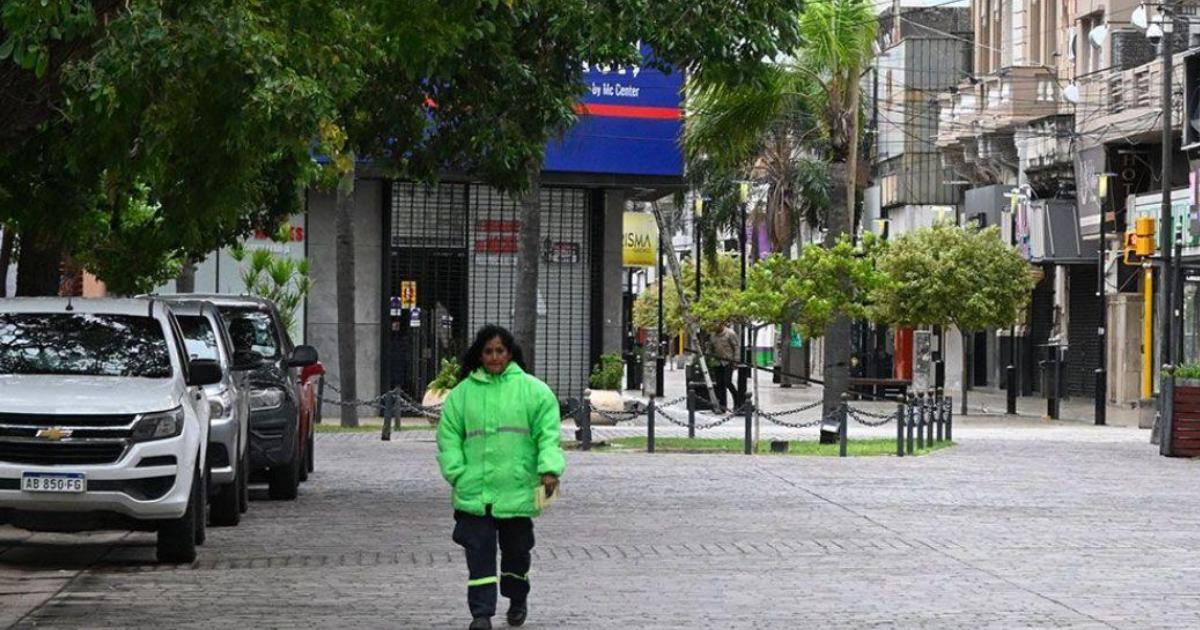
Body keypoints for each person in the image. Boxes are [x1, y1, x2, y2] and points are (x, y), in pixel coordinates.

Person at [437, 325, 565, 630]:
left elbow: (549, 435)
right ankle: (481, 614)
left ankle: (517, 597)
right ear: (479, 355)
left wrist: (549, 469)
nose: (494, 357)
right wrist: (456, 472)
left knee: (517, 553)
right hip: (475, 492)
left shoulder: (535, 391)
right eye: (488, 351)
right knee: (479, 554)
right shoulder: (461, 395)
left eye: (500, 351)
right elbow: (449, 437)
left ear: (510, 353)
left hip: (517, 490)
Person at [708, 321, 741, 412]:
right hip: (717, 363)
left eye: (716, 325)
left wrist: (736, 360)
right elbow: (710, 348)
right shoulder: (713, 335)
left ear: (721, 324)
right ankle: (722, 406)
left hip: (728, 362)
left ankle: (737, 402)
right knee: (719, 384)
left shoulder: (730, 333)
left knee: (727, 382)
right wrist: (708, 356)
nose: (714, 328)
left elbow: (736, 347)